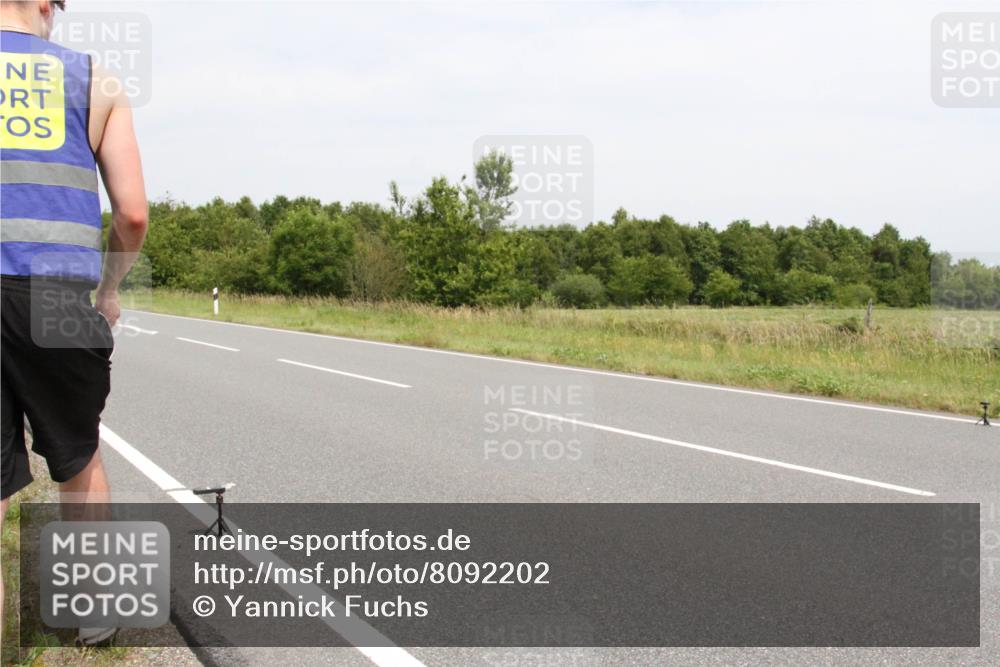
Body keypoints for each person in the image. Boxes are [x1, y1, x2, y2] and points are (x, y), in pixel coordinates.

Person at [1, 0, 148, 645]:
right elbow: (133, 215)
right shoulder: (98, 81)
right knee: (78, 452)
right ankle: (94, 615)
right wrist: (109, 290)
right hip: (58, 291)